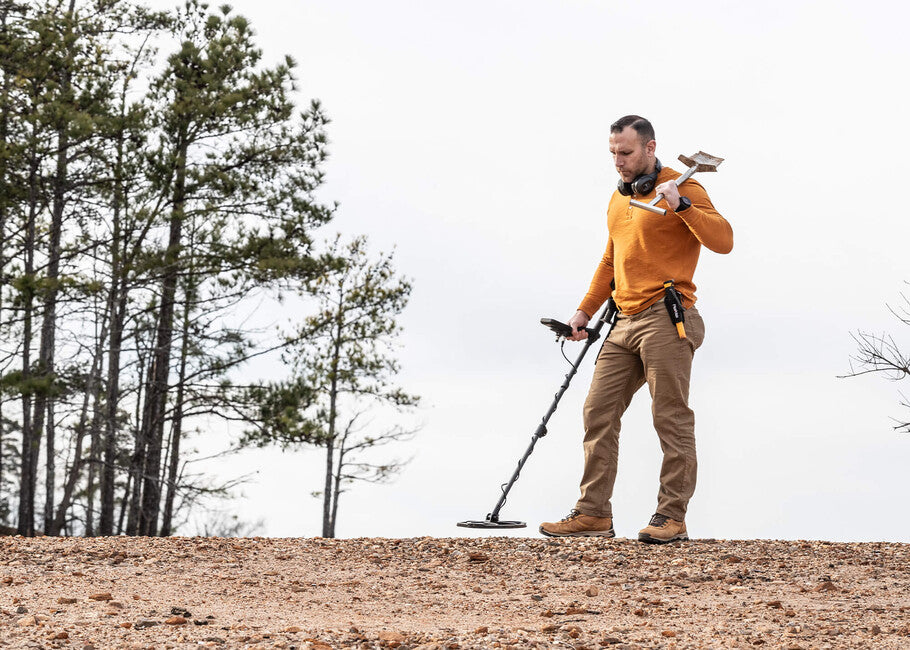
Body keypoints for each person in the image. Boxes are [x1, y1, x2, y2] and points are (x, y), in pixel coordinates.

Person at [539, 115, 733, 544]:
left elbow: (723, 240)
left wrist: (681, 205)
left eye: (625, 152)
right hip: (622, 321)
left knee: (670, 417)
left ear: (649, 147)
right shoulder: (619, 198)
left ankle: (671, 517)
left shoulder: (684, 186)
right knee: (597, 412)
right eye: (612, 153)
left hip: (667, 316)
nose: (618, 161)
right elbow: (611, 260)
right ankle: (592, 515)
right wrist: (584, 312)